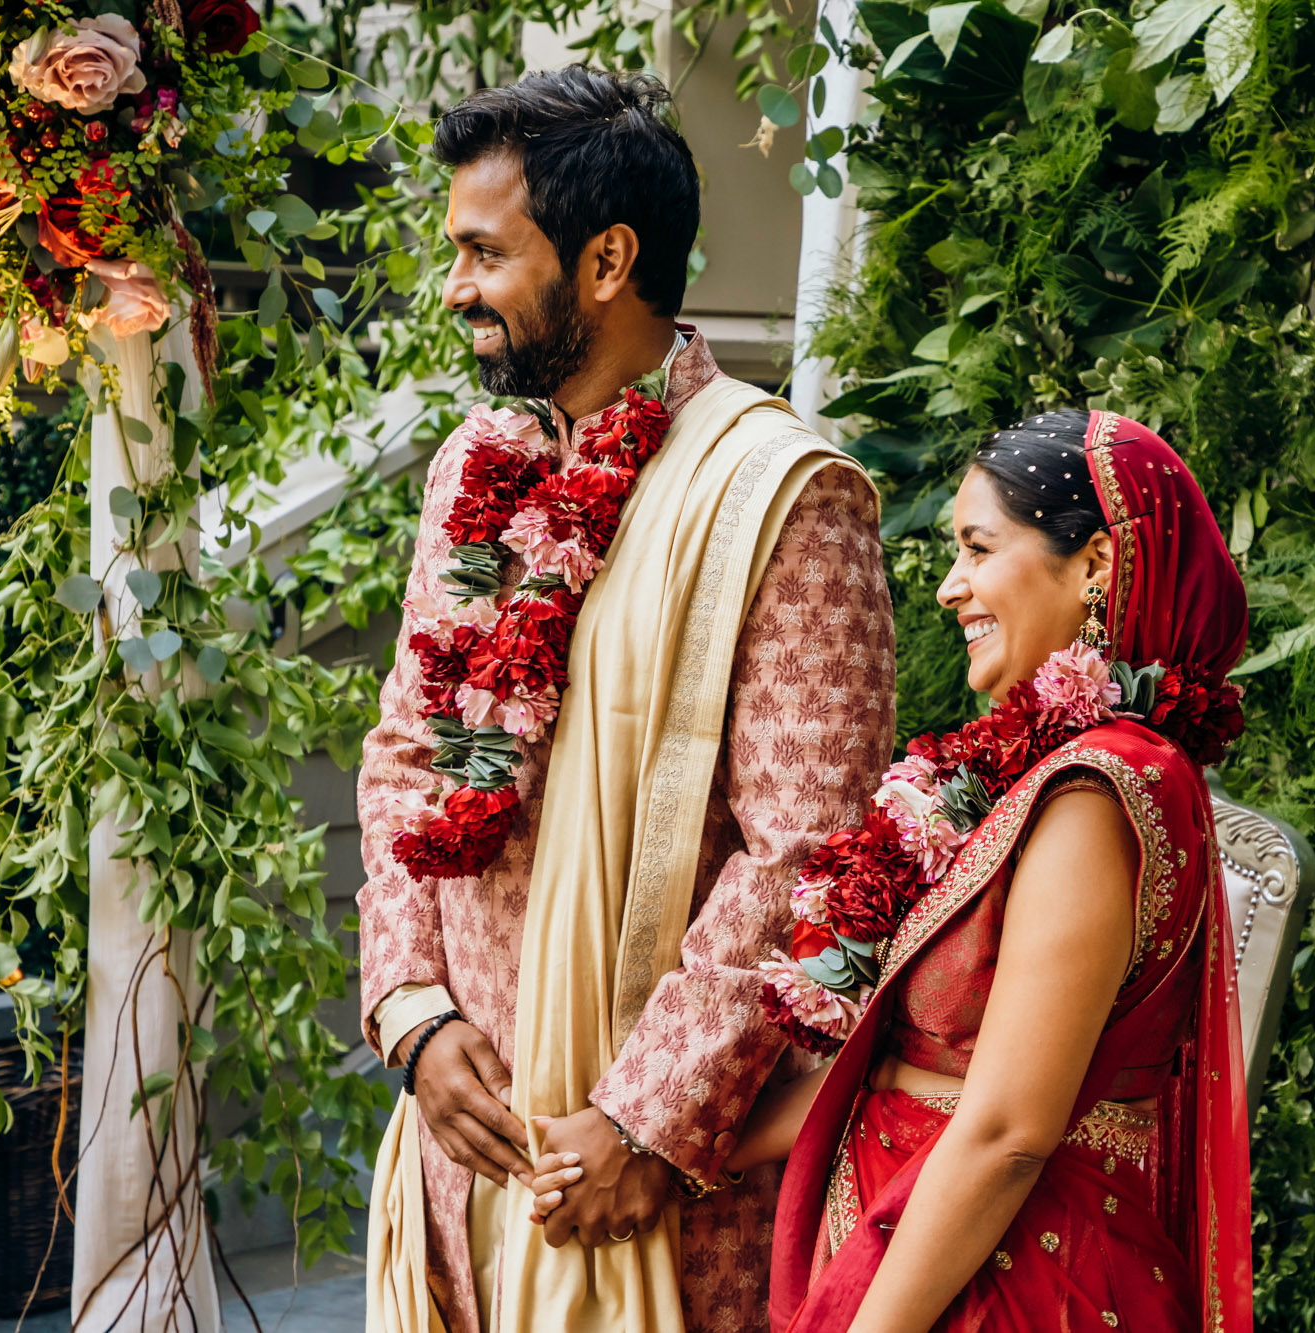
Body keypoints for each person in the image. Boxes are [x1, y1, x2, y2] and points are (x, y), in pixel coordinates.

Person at [355, 66, 895, 1333]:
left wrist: (646, 1120)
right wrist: (415, 1017)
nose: (455, 289)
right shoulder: (471, 470)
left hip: (652, 1200)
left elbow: (808, 856)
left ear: (605, 260)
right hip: (462, 1163)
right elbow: (401, 757)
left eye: (485, 253)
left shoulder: (784, 494)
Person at [532, 408, 1254, 1331]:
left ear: (1095, 567)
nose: (952, 587)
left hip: (1016, 1282)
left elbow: (1005, 1135)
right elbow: (900, 1071)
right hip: (912, 1244)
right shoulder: (1035, 777)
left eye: (979, 548)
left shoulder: (1095, 795)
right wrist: (665, 1143)